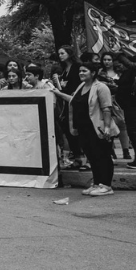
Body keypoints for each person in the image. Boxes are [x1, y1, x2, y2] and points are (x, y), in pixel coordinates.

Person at [56, 63, 116, 196]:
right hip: (84, 128)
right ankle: (97, 183)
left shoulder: (101, 87)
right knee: (92, 157)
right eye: (80, 71)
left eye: (84, 71)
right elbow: (73, 101)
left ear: (93, 73)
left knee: (103, 156)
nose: (81, 73)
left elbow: (107, 108)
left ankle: (106, 185)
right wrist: (58, 93)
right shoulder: (81, 86)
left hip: (98, 128)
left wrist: (107, 127)